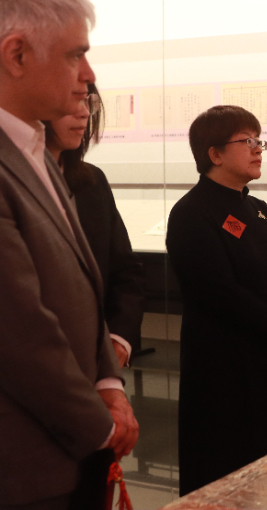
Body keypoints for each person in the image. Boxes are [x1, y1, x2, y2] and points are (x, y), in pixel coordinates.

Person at [0, 1, 138, 509]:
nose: (88, 74)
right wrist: (99, 424)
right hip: (25, 466)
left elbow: (82, 289)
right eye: (75, 55)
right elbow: (19, 329)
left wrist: (109, 383)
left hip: (69, 450)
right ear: (17, 54)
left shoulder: (34, 151)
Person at [166, 105, 267, 496]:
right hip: (224, 369)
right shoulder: (190, 213)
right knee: (228, 476)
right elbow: (216, 291)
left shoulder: (257, 208)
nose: (257, 148)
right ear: (214, 154)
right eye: (246, 140)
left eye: (259, 140)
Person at [44, 83, 145, 368]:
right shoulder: (12, 183)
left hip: (95, 357)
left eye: (89, 102)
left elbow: (125, 269)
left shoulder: (92, 180)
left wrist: (119, 339)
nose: (84, 113)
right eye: (73, 100)